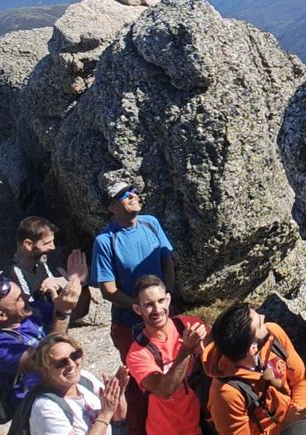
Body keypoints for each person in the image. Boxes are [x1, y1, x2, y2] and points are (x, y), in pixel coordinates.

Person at [91, 181, 175, 435]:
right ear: (112, 207)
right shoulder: (105, 241)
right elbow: (108, 290)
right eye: (124, 195)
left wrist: (164, 299)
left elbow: (167, 262)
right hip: (129, 324)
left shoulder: (151, 223)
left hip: (161, 316)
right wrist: (140, 307)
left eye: (134, 191)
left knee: (171, 370)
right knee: (140, 384)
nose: (133, 195)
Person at [204, 303, 306, 435]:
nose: (263, 317)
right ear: (253, 349)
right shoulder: (226, 395)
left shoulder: (274, 334)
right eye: (259, 324)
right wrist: (289, 425)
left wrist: (299, 414)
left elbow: (301, 379)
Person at [125, 275, 209, 435]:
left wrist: (204, 353)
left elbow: (219, 367)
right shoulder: (137, 354)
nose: (157, 310)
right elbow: (164, 391)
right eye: (149, 305)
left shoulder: (190, 324)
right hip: (168, 429)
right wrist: (186, 350)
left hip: (203, 422)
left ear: (168, 299)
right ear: (137, 309)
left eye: (161, 301)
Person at [0, 276, 83, 408]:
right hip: (34, 406)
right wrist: (62, 312)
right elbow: (47, 359)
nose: (27, 297)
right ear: (1, 315)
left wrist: (72, 288)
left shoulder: (33, 311)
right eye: (19, 299)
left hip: (61, 386)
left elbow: (76, 312)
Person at [26, 334, 129, 435]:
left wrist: (117, 394)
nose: (71, 364)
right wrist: (105, 414)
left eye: (75, 356)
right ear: (45, 370)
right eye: (61, 363)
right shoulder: (45, 408)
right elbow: (107, 414)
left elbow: (118, 418)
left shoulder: (84, 379)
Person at [1, 215, 92, 322]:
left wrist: (81, 285)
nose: (53, 247)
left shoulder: (40, 265)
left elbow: (74, 313)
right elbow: (32, 319)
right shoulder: (13, 277)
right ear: (28, 245)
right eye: (47, 243)